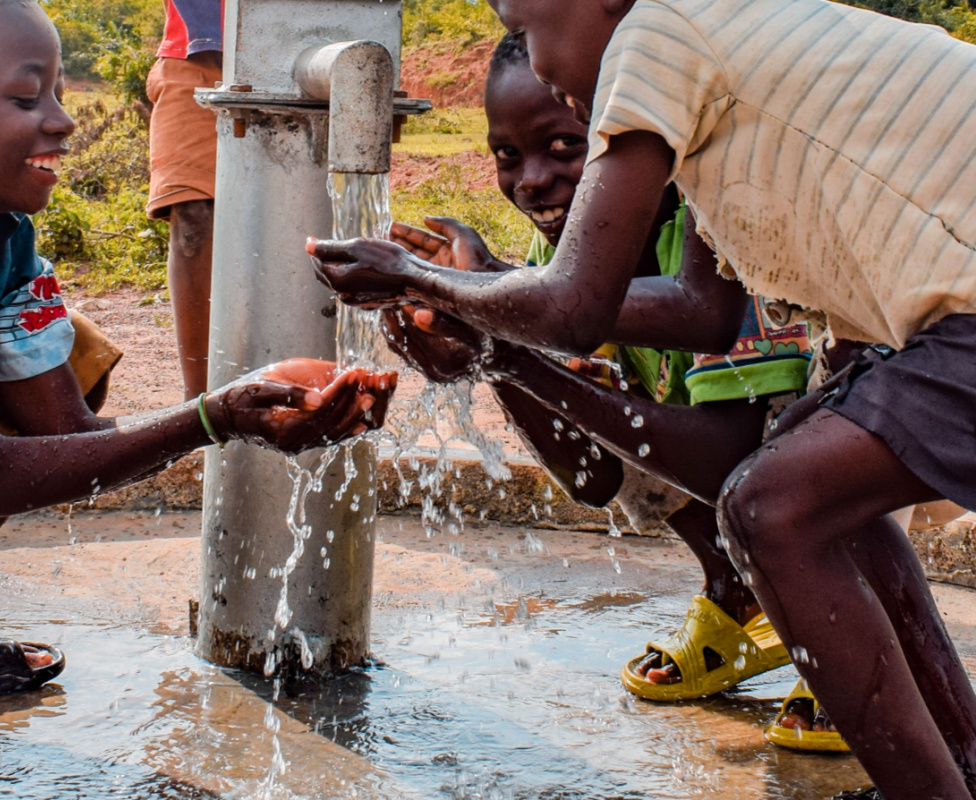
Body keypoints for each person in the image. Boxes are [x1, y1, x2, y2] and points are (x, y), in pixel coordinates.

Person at [309, 0, 976, 797]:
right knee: (819, 488)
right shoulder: (716, 61)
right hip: (944, 303)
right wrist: (488, 320)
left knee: (771, 507)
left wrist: (421, 278)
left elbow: (575, 310)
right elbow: (704, 308)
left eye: (527, 29)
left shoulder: (660, 32)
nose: (545, 68)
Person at [0, 0, 395, 795]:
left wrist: (245, 415)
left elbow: (57, 435)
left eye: (57, 94)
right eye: (27, 98)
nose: (63, 121)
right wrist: (215, 417)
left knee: (73, 350)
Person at [386, 30, 836, 738]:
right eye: (508, 156)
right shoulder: (561, 247)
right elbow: (595, 474)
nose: (531, 179)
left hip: (884, 438)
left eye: (566, 147)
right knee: (606, 414)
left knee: (774, 461)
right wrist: (491, 331)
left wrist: (502, 318)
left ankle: (850, 629)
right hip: (753, 451)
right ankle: (738, 593)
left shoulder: (721, 218)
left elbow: (735, 455)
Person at [146, 0, 222, 399]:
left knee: (300, 212)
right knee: (192, 214)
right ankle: (201, 404)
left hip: (301, 46)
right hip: (196, 56)